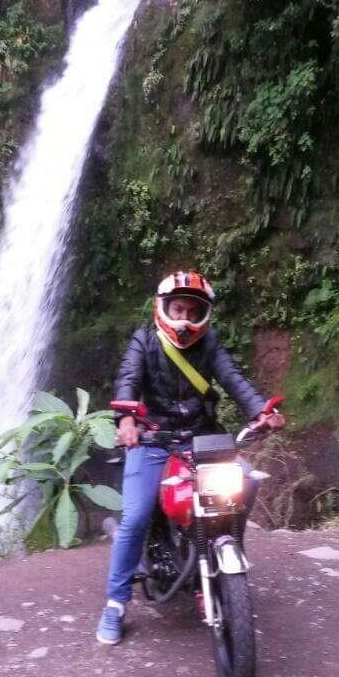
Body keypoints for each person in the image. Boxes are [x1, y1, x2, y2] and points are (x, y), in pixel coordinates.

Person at [96, 270, 284, 646]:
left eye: (191, 311)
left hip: (202, 440)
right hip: (152, 440)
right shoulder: (145, 341)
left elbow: (233, 379)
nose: (183, 318)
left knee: (244, 481)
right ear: (162, 309)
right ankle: (115, 604)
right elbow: (128, 379)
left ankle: (222, 560)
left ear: (203, 316)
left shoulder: (209, 343)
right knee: (133, 518)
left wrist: (260, 412)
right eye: (177, 309)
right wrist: (128, 418)